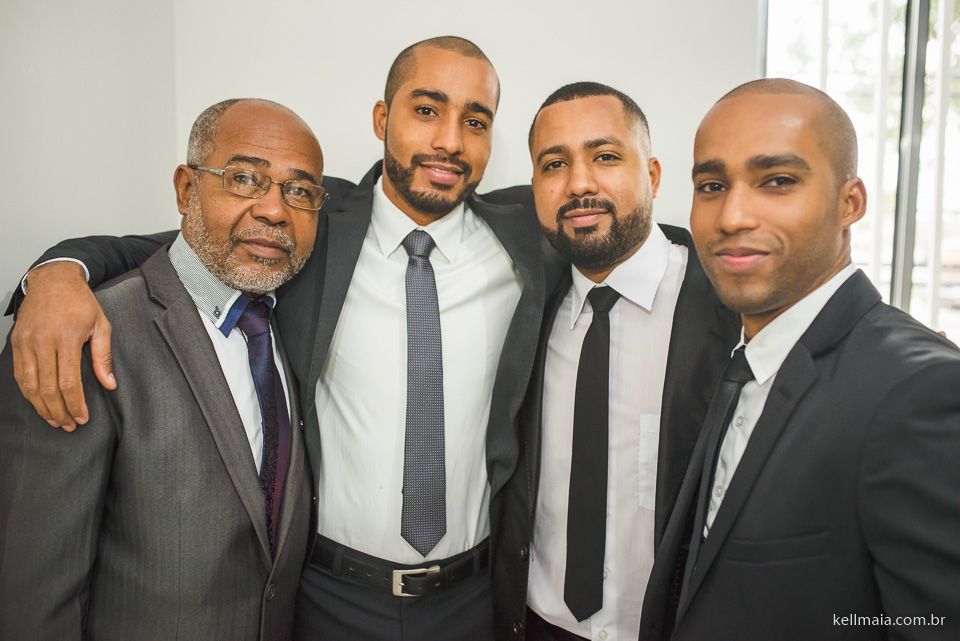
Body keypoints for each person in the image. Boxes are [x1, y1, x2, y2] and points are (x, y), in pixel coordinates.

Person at [4, 37, 560, 641]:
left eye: (475, 121)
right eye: (426, 110)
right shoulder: (312, 224)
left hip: (471, 598)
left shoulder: (531, 237)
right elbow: (188, 245)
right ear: (383, 118)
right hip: (326, 596)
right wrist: (59, 272)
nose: (449, 140)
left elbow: (613, 232)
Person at [639, 78, 960, 641]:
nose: (732, 215)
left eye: (778, 181)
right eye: (712, 185)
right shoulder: (745, 357)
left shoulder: (921, 391)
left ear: (850, 203)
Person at [0, 98, 324, 640]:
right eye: (245, 178)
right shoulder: (83, 339)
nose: (274, 210)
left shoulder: (280, 314)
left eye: (299, 191)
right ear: (185, 189)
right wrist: (57, 269)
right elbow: (35, 595)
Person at [492, 82, 740, 641]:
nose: (579, 183)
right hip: (533, 624)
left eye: (605, 157)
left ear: (651, 175)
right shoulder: (524, 305)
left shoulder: (729, 308)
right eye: (554, 164)